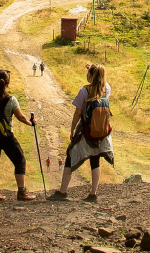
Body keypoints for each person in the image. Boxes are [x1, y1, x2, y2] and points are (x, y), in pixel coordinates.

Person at [48, 64, 113, 202]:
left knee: (70, 156)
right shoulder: (106, 89)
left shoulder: (84, 91)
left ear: (90, 75)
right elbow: (101, 79)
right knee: (95, 160)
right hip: (102, 132)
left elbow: (78, 113)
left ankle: (63, 191)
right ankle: (93, 193)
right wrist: (94, 69)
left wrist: (72, 129)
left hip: (86, 131)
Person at [0, 70, 37, 202]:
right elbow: (20, 117)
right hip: (6, 136)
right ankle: (21, 191)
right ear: (8, 84)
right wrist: (30, 123)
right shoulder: (11, 100)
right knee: (20, 160)